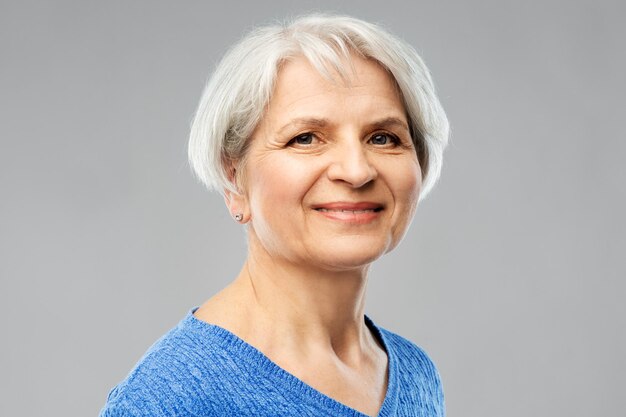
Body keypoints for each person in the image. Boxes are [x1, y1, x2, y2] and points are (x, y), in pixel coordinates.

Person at [99, 13, 449, 417]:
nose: (357, 170)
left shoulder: (417, 376)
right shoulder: (169, 400)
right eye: (305, 139)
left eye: (383, 137)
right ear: (234, 178)